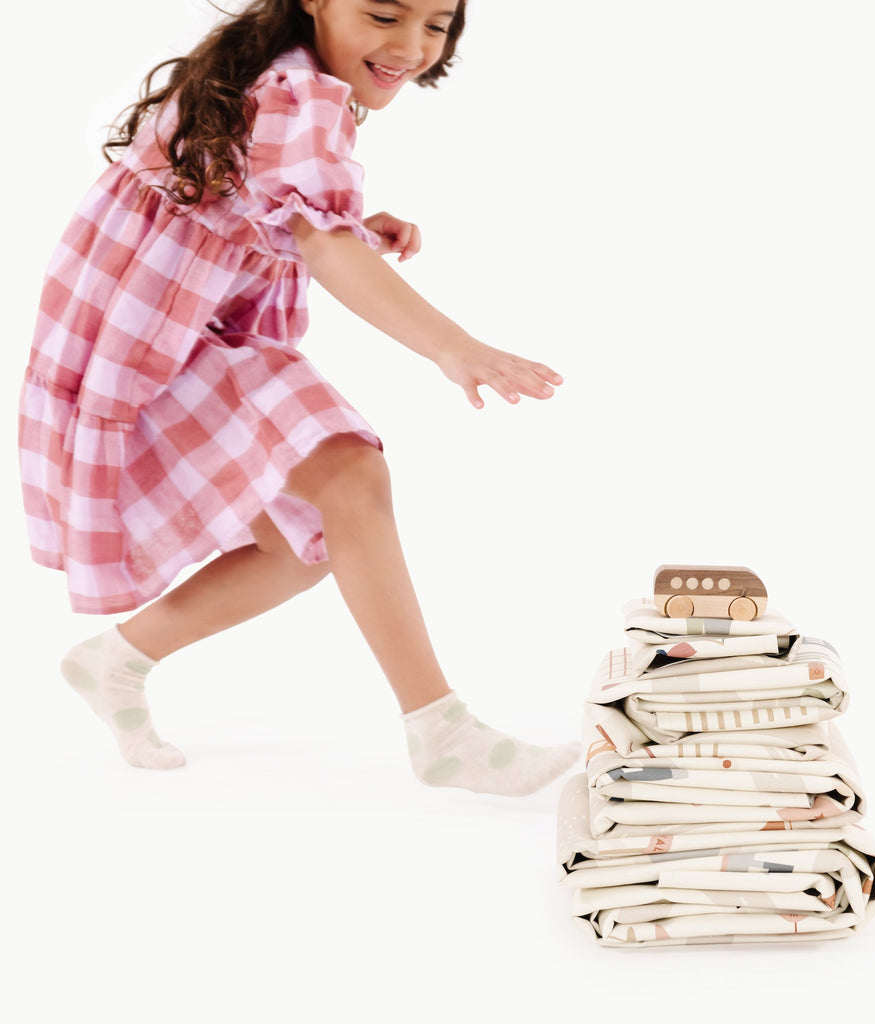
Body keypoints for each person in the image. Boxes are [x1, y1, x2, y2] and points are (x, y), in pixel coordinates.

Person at [19, 0, 578, 796]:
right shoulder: (297, 91)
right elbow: (320, 243)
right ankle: (441, 731)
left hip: (150, 320)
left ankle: (116, 660)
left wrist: (348, 221)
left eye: (435, 23)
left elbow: (252, 198)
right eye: (383, 13)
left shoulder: (278, 71)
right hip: (155, 336)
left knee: (301, 544)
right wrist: (453, 345)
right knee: (349, 475)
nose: (410, 45)